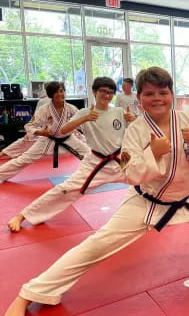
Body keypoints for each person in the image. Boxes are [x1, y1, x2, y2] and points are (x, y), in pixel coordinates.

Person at [5, 67, 189, 316]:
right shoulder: (135, 131)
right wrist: (153, 153)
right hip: (144, 202)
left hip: (188, 198)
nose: (157, 98)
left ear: (172, 94)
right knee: (95, 245)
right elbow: (130, 173)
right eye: (149, 93)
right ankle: (30, 293)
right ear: (139, 98)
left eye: (163, 92)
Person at [7, 77, 136, 232]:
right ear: (94, 92)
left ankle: (164, 211)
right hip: (96, 162)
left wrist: (134, 119)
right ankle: (23, 215)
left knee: (150, 175)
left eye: (111, 92)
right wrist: (85, 119)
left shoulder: (119, 111)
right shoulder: (84, 112)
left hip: (120, 160)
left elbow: (137, 131)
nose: (107, 95)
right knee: (64, 189)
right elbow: (64, 129)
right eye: (103, 91)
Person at [0, 82, 90, 182]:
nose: (60, 94)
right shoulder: (44, 110)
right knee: (24, 159)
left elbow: (81, 124)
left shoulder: (71, 108)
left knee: (90, 155)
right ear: (50, 95)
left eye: (61, 91)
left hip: (69, 139)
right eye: (56, 92)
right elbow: (29, 125)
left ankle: (99, 174)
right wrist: (41, 132)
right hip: (48, 140)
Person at [0, 88, 51, 160]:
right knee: (26, 140)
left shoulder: (62, 104)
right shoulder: (43, 101)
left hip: (54, 133)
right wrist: (30, 132)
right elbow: (35, 117)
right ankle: (2, 153)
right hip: (42, 130)